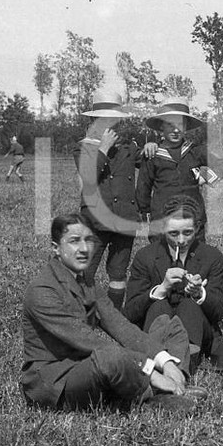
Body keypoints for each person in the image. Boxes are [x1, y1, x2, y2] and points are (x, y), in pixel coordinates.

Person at [20, 213, 207, 413]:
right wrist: (150, 370)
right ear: (55, 247)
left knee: (171, 327)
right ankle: (152, 396)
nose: (84, 249)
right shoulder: (43, 290)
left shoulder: (86, 282)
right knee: (111, 357)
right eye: (74, 241)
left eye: (89, 240)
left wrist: (165, 361)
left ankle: (172, 380)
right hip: (58, 382)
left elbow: (120, 326)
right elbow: (87, 341)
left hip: (89, 366)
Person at [72, 91, 157, 310]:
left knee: (119, 273)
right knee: (86, 270)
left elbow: (146, 161)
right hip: (95, 220)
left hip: (123, 220)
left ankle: (113, 316)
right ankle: (83, 316)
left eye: (113, 120)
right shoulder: (83, 147)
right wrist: (103, 148)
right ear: (92, 120)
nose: (108, 125)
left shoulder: (128, 147)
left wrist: (150, 147)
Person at [123, 196, 223, 369]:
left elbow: (218, 313)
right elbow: (130, 313)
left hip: (197, 327)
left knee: (188, 306)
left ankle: (178, 367)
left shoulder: (211, 256)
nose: (181, 240)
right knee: (159, 306)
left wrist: (199, 294)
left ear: (198, 228)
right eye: (173, 233)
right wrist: (161, 289)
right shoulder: (146, 256)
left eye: (188, 233)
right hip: (154, 327)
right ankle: (165, 363)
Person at [137, 99, 210, 236]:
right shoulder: (153, 154)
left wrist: (205, 177)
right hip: (162, 218)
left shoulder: (194, 151)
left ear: (186, 126)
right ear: (161, 127)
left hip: (192, 218)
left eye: (180, 125)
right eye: (170, 125)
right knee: (161, 254)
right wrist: (145, 211)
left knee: (194, 254)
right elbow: (143, 187)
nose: (176, 130)